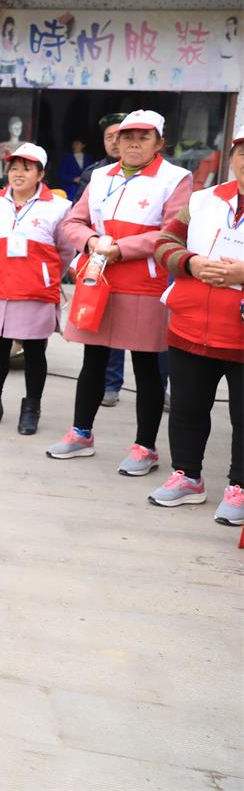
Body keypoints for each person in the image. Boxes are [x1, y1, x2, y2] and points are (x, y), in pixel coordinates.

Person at [46, 110, 191, 474]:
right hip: (98, 280)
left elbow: (172, 232)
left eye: (144, 137)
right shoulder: (100, 176)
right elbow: (73, 222)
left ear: (159, 143)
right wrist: (91, 241)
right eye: (127, 137)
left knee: (146, 366)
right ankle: (81, 433)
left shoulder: (175, 178)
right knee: (93, 359)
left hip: (144, 283)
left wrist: (121, 249)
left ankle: (145, 447)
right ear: (116, 141)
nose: (133, 144)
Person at [146, 124, 243, 525]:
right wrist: (191, 263)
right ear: (232, 157)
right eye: (242, 152)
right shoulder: (203, 200)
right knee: (187, 407)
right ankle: (187, 476)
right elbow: (164, 242)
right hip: (190, 326)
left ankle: (240, 487)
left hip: (240, 335)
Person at [0, 143, 73, 436]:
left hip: (35, 291)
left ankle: (31, 409)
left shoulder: (58, 207)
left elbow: (66, 251)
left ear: (40, 173)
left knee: (34, 352)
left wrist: (45, 275)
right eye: (13, 168)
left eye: (26, 168)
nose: (18, 174)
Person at [75, 114, 129, 405]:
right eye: (109, 137)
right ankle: (107, 382)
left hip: (134, 258)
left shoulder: (161, 176)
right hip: (99, 258)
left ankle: (152, 385)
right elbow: (78, 217)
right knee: (100, 323)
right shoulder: (94, 174)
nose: (115, 142)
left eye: (121, 136)